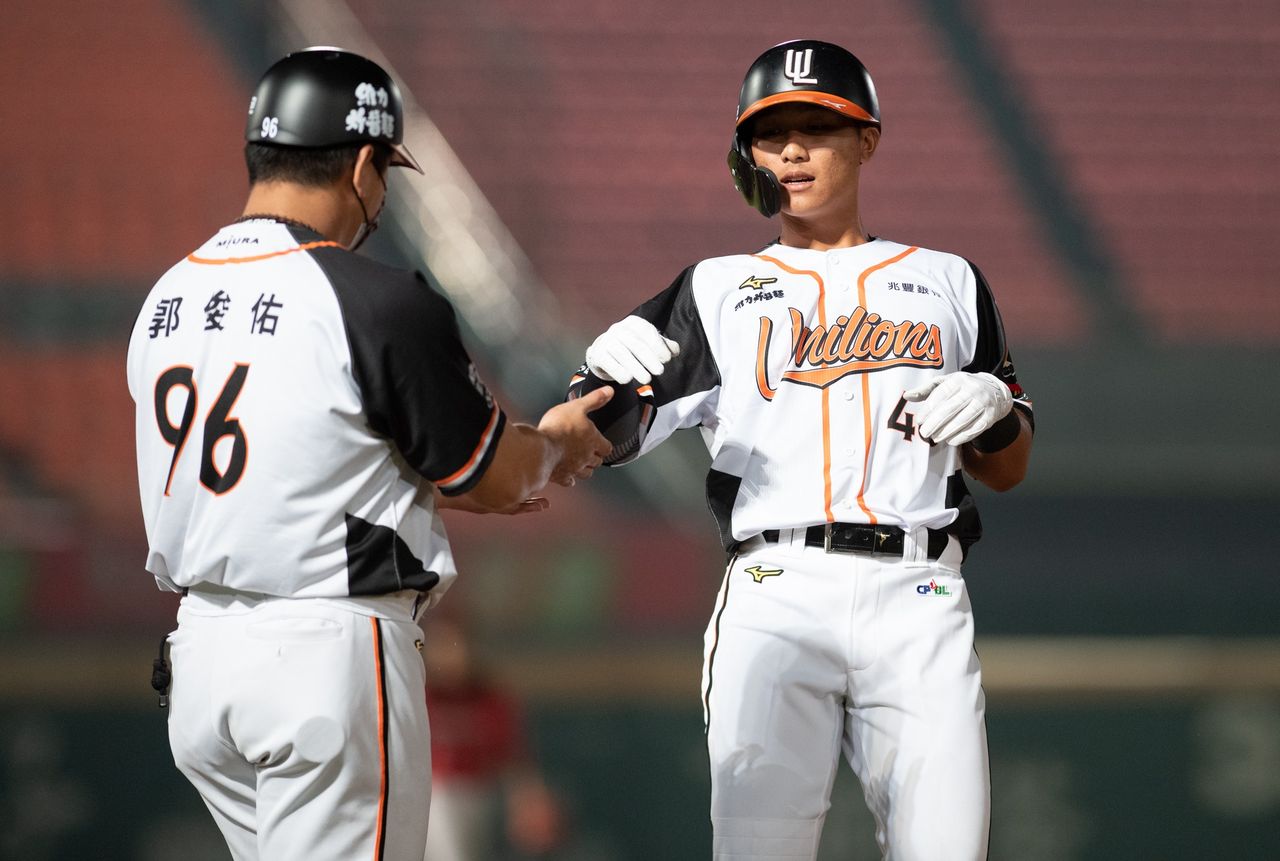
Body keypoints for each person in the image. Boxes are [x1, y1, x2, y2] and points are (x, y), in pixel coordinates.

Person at [127, 47, 612, 861]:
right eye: (385, 170)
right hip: (324, 653)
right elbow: (495, 476)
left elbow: (307, 456)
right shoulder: (369, 299)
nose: (382, 195)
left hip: (202, 656)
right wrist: (557, 442)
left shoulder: (167, 296)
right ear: (360, 165)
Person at [569, 39, 1034, 860]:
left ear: (867, 140)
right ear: (746, 153)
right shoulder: (714, 290)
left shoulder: (951, 280)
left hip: (920, 590)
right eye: (771, 133)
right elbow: (594, 443)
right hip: (774, 587)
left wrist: (998, 412)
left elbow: (1008, 467)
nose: (791, 151)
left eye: (817, 128)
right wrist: (591, 385)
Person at [422, 615, 567, 861]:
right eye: (441, 645)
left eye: (455, 645)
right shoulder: (417, 693)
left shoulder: (490, 699)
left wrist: (529, 801)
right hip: (425, 796)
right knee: (442, 805)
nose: (450, 655)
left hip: (481, 795)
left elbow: (514, 761)